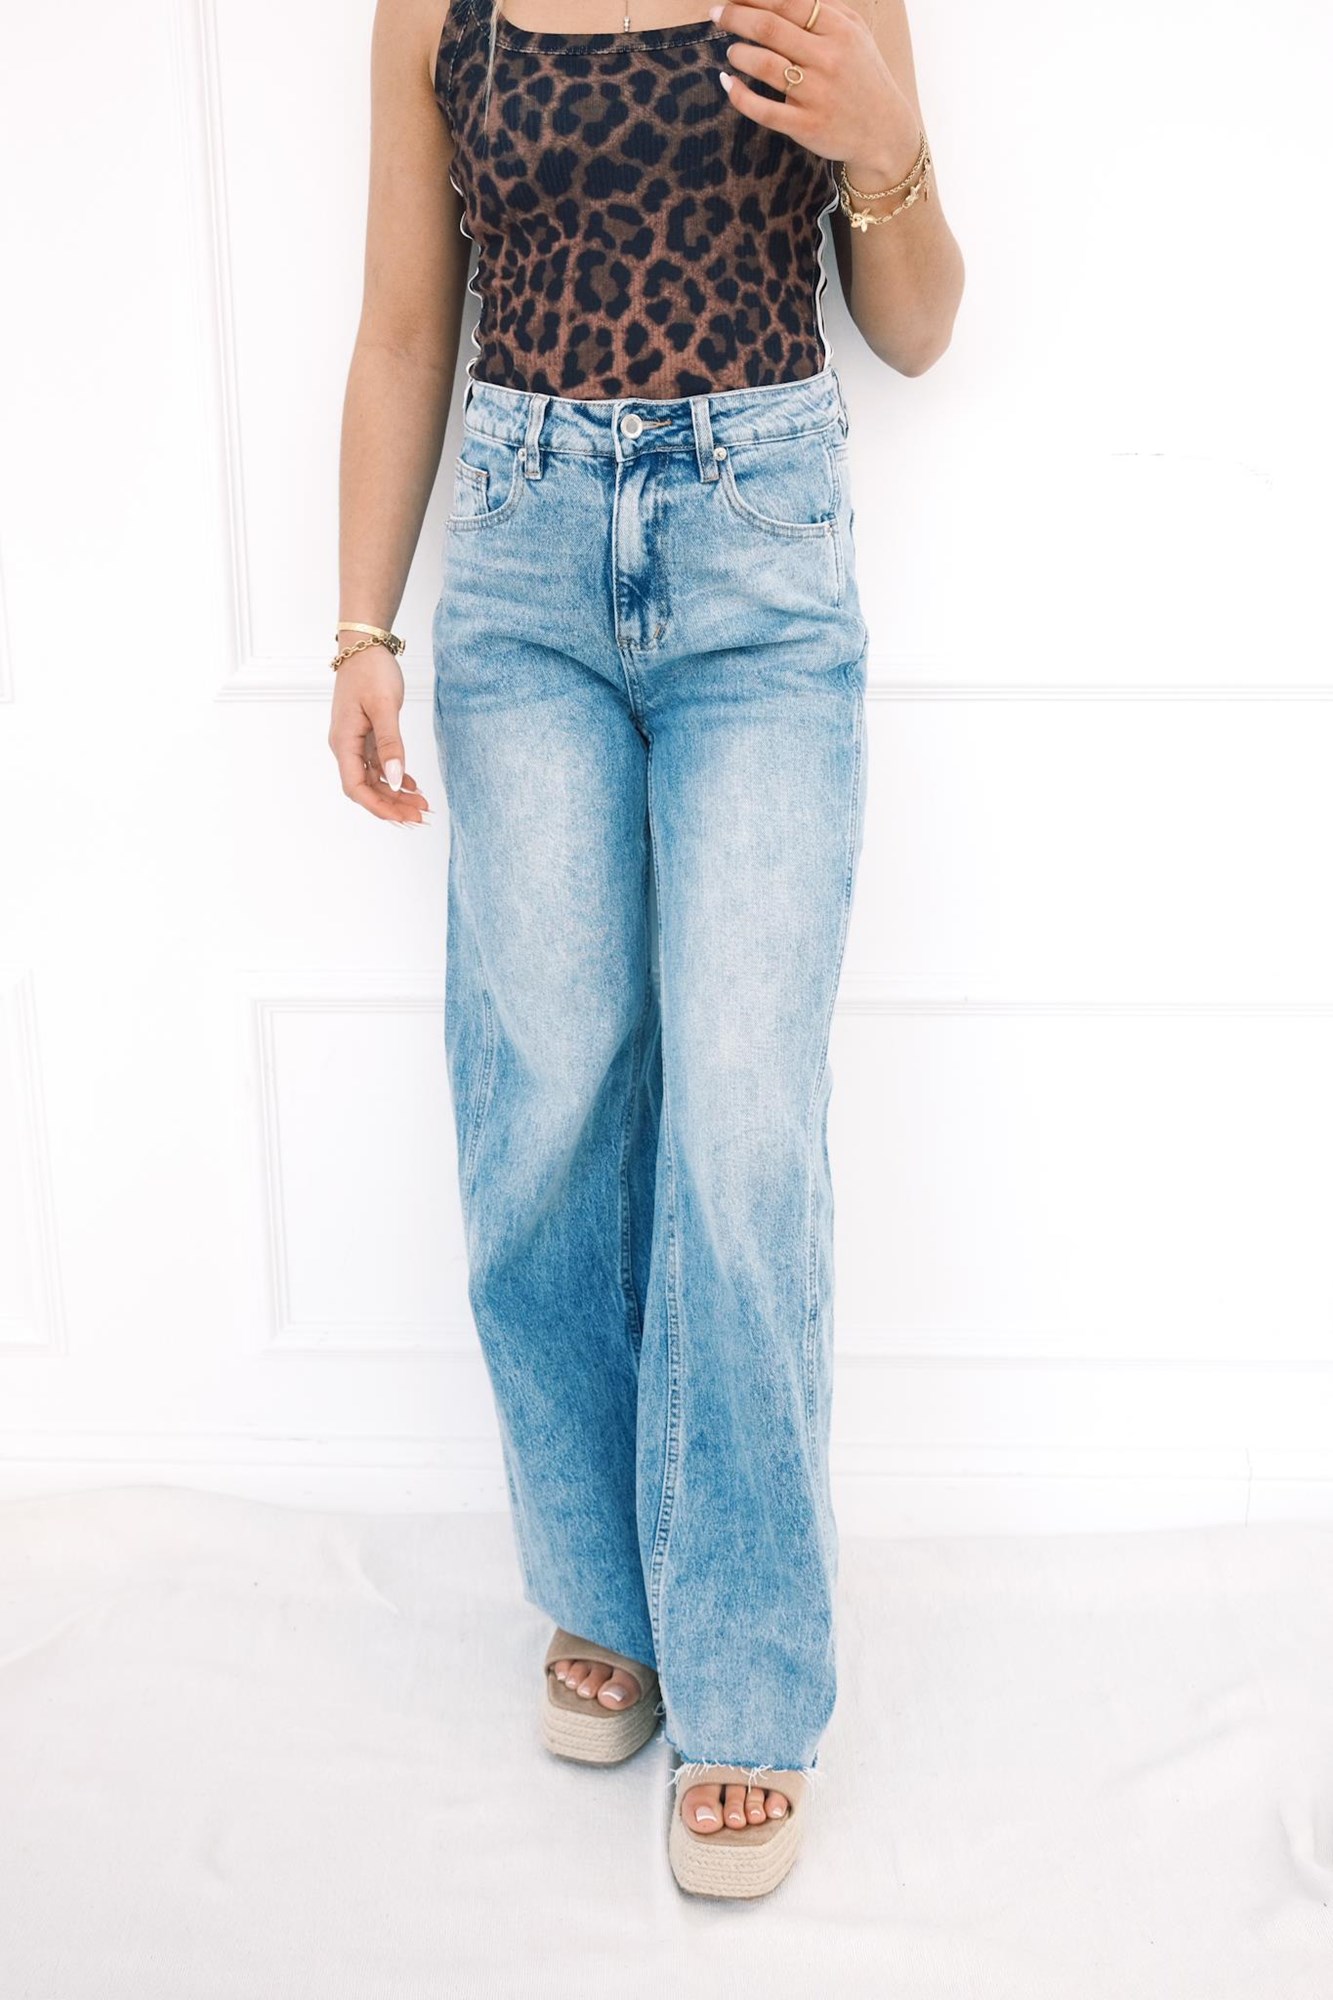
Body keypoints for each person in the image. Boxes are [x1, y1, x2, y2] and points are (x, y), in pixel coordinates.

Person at [328, 0, 963, 1899]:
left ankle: (747, 1676)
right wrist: (359, 630)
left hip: (757, 555)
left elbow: (919, 327)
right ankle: (604, 1588)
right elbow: (405, 329)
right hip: (518, 559)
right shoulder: (434, 10)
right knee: (542, 1112)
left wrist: (883, 145)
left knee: (742, 1130)